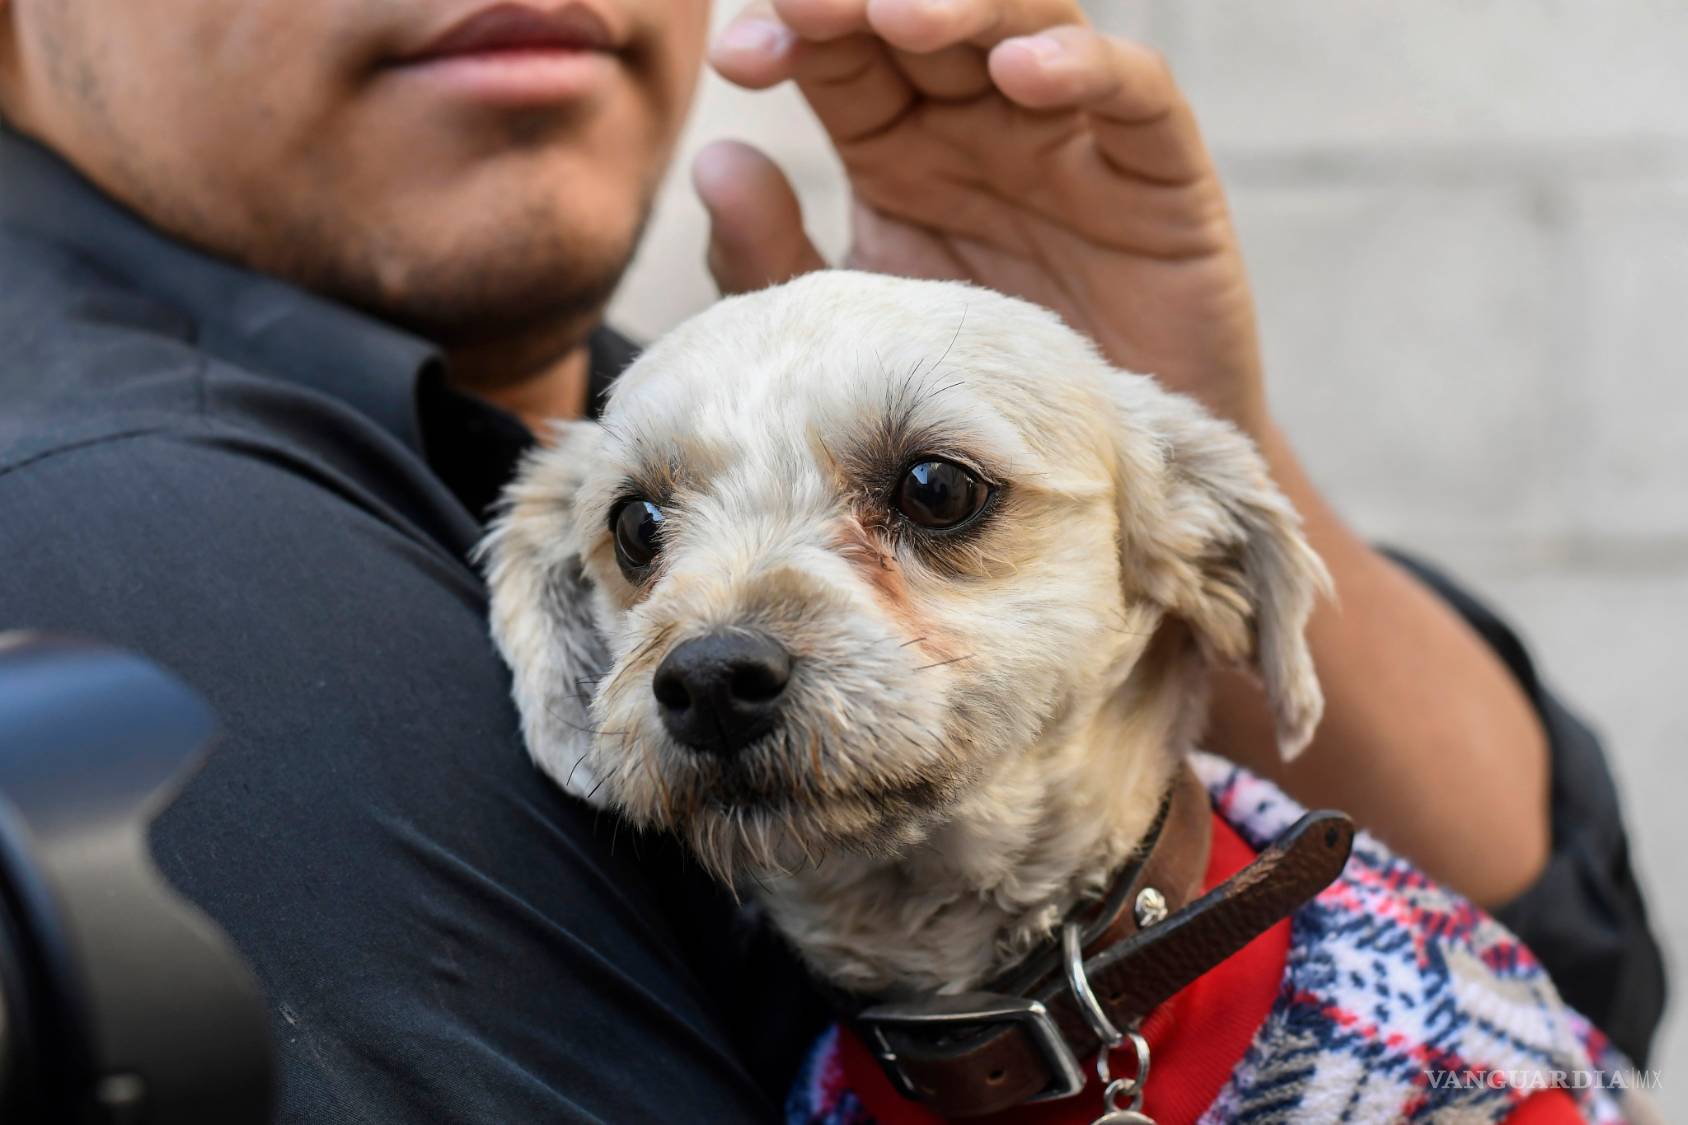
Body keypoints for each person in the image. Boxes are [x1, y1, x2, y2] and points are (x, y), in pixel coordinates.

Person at [0, 0, 1663, 1120]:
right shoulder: (136, 520)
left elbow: (1582, 968)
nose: (715, 639)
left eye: (933, 492)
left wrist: (1165, 416)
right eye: (645, 538)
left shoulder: (656, 386)